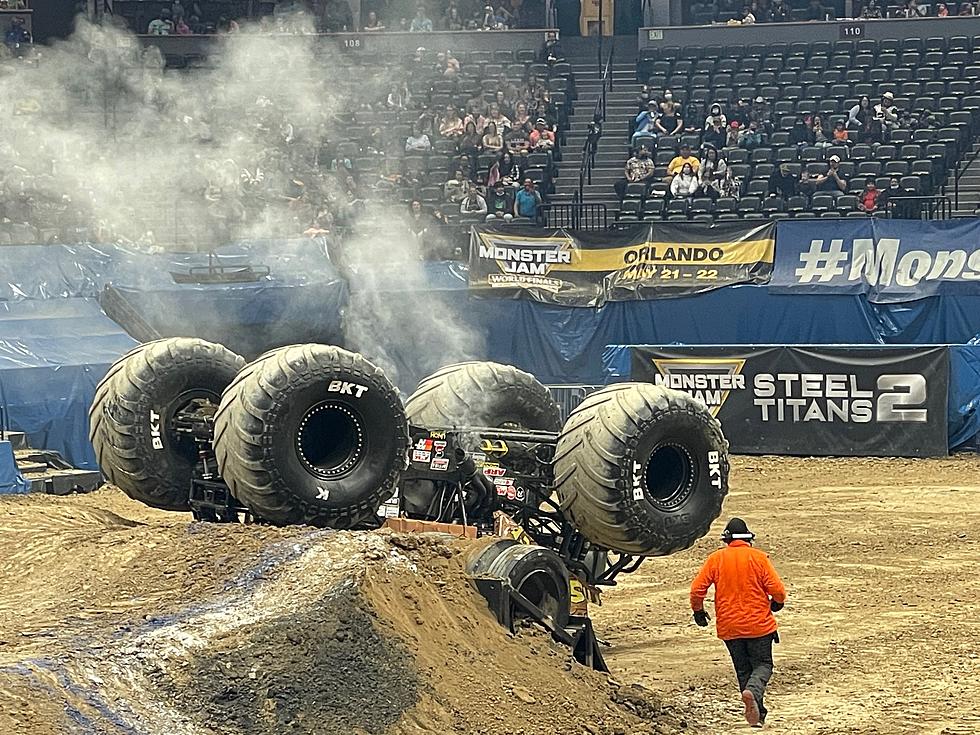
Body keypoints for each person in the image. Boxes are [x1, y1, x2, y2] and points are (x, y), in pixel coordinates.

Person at [691, 518, 786, 728]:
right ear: (748, 539)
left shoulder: (715, 559)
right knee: (763, 665)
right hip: (759, 625)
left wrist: (698, 610)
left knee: (743, 670)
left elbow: (697, 589)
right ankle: (753, 695)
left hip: (729, 627)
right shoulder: (758, 558)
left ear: (726, 540)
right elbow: (777, 589)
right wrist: (777, 603)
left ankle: (757, 715)